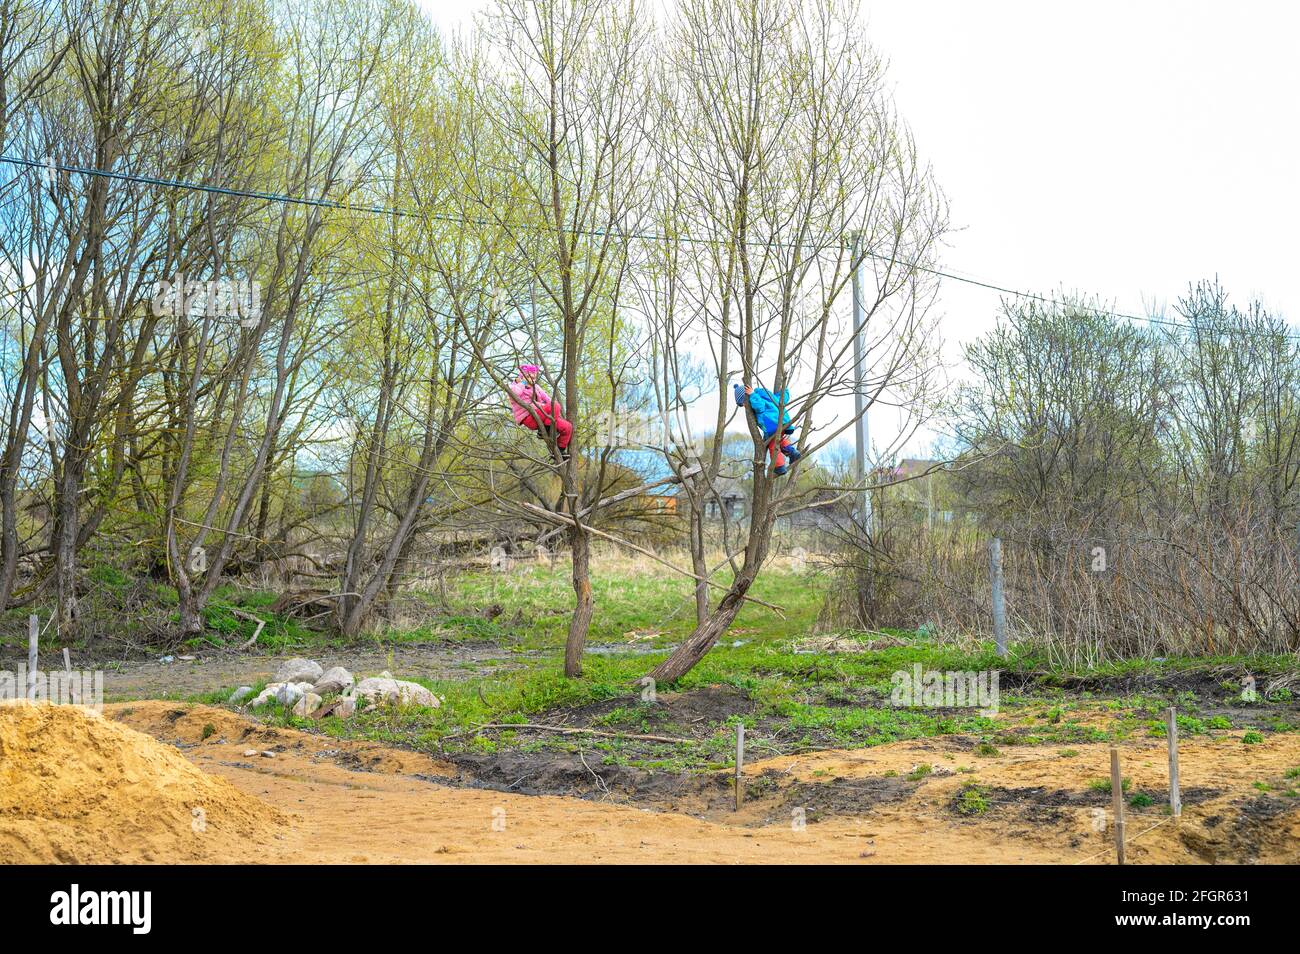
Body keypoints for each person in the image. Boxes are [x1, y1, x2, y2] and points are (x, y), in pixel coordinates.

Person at [734, 381, 802, 475]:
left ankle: (779, 467)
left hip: (771, 423)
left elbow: (760, 406)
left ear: (747, 396)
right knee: (779, 440)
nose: (744, 406)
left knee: (773, 446)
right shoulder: (768, 397)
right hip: (780, 422)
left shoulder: (756, 398)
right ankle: (792, 453)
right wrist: (784, 390)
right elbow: (781, 399)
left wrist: (752, 395)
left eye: (743, 403)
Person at [509, 364, 572, 459]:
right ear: (523, 377)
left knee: (567, 427)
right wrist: (523, 383)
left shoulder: (536, 387)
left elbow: (548, 399)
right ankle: (546, 430)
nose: (533, 379)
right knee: (555, 405)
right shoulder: (515, 386)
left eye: (534, 377)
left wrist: (555, 414)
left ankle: (560, 451)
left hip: (542, 416)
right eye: (530, 376)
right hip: (529, 418)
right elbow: (515, 394)